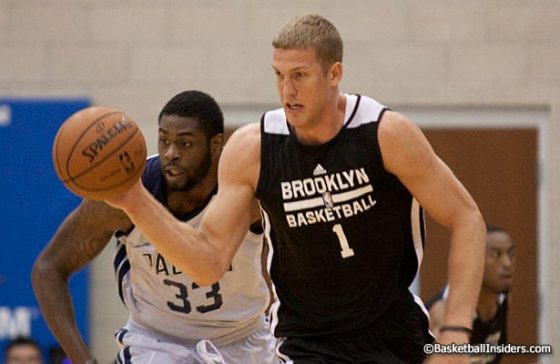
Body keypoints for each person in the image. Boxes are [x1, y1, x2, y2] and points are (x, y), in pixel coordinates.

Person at [104, 14, 487, 364]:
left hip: (393, 329)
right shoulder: (254, 148)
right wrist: (134, 201)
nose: (287, 90)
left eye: (300, 75)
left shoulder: (385, 134)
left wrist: (455, 332)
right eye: (278, 75)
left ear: (334, 73)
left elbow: (466, 218)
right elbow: (206, 262)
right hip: (305, 341)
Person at [32, 90, 277, 364]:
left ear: (216, 144)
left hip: (244, 338)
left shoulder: (246, 195)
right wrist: (83, 360)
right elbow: (48, 269)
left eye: (185, 144)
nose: (171, 153)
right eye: (164, 140)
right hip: (157, 343)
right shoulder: (123, 195)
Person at [426, 225, 515, 364]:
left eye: (510, 254)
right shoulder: (444, 312)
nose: (507, 263)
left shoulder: (503, 300)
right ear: (473, 261)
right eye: (495, 254)